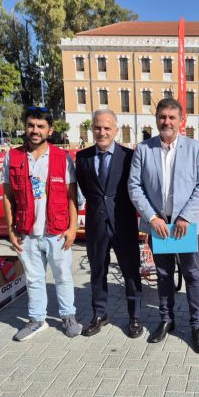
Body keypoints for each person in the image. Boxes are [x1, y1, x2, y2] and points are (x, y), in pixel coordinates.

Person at [128, 98, 199, 353]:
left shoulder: (196, 149)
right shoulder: (143, 150)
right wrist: (152, 218)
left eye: (172, 117)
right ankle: (167, 320)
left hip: (184, 227)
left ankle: (197, 326)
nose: (167, 122)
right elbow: (134, 186)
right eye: (163, 117)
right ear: (156, 119)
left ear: (180, 121)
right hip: (159, 226)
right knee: (163, 275)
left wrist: (186, 217)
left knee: (192, 275)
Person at [2, 106, 82, 341]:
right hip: (26, 231)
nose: (35, 130)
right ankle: (37, 319)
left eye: (40, 126)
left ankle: (68, 316)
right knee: (34, 278)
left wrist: (72, 228)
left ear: (50, 130)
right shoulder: (13, 157)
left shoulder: (62, 158)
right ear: (25, 127)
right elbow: (7, 196)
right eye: (31, 125)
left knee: (63, 276)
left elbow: (72, 196)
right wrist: (10, 229)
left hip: (57, 231)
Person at [76, 110, 143, 338]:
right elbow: (87, 189)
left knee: (130, 272)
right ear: (92, 129)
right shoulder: (82, 157)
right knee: (98, 272)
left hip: (123, 225)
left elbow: (136, 187)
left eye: (107, 128)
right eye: (97, 128)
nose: (102, 132)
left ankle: (135, 316)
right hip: (96, 226)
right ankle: (99, 314)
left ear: (116, 130)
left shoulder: (129, 156)